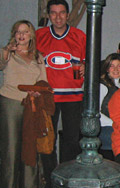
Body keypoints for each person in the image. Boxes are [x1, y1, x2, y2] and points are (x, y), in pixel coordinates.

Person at [36, 0, 86, 186]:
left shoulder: (79, 36)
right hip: (47, 96)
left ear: (68, 14)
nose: (58, 17)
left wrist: (85, 67)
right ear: (48, 15)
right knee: (47, 139)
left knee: (72, 139)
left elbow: (88, 61)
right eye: (54, 13)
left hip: (73, 96)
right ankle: (51, 178)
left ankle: (67, 175)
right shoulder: (39, 35)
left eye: (62, 12)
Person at [0, 20, 47, 188]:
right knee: (10, 150)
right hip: (10, 103)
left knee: (30, 148)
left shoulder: (38, 57)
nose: (21, 35)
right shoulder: (7, 53)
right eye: (18, 32)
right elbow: (1, 63)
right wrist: (7, 49)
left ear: (31, 35)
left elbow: (43, 82)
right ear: (14, 35)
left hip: (30, 105)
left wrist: (38, 92)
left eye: (25, 32)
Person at [99, 53, 120, 160]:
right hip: (106, 127)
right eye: (112, 66)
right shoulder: (102, 85)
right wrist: (115, 124)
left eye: (119, 66)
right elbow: (96, 114)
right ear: (107, 68)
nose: (116, 69)